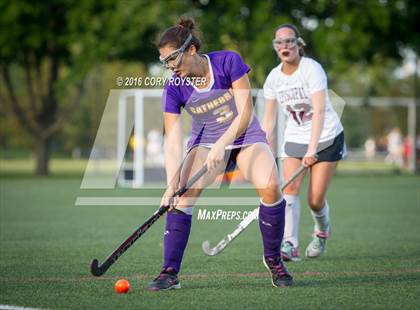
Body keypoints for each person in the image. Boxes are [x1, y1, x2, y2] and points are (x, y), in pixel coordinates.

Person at [149, 17, 292, 291]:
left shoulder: (228, 62)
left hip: (245, 137)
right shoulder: (174, 87)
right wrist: (171, 184)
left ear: (191, 50)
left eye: (172, 59)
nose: (170, 67)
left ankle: (274, 260)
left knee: (271, 186)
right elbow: (173, 141)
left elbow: (246, 111)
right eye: (164, 62)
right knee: (182, 196)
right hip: (205, 143)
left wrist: (223, 144)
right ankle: (169, 272)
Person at [262, 24, 345, 262]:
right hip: (296, 138)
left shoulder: (311, 69)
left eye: (289, 41)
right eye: (279, 42)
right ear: (275, 47)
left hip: (326, 137)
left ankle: (321, 231)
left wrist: (312, 149)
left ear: (299, 44)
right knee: (289, 191)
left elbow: (319, 110)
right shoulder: (274, 78)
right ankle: (290, 244)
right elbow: (269, 121)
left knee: (315, 200)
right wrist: (262, 152)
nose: (284, 46)